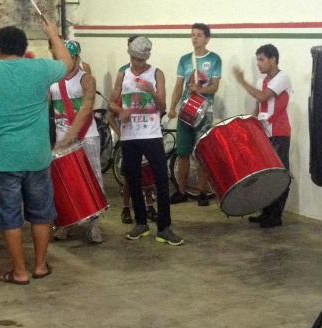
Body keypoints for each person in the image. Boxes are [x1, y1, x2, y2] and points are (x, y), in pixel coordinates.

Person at [0, 22, 71, 284]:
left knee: (9, 215)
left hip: (3, 157)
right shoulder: (40, 68)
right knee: (41, 212)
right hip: (37, 155)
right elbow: (67, 62)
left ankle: (19, 271)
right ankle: (41, 266)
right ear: (24, 47)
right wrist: (53, 34)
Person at [110, 36, 183, 246]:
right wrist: (120, 110)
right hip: (130, 135)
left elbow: (162, 106)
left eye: (141, 60)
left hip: (151, 134)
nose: (137, 64)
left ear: (147, 57)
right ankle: (140, 223)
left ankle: (164, 227)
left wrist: (151, 90)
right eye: (134, 59)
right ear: (130, 55)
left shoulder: (156, 73)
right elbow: (112, 103)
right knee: (132, 180)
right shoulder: (122, 74)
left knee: (161, 180)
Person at [232, 43, 294, 228]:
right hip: (264, 134)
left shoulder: (282, 77)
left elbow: (263, 97)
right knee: (266, 175)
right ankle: (266, 211)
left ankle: (276, 215)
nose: (258, 64)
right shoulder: (261, 80)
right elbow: (259, 105)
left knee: (280, 175)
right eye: (257, 60)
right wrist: (251, 123)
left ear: (273, 59)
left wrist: (242, 81)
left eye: (262, 59)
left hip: (279, 132)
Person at [49, 39, 104, 244]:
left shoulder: (86, 79)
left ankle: (94, 224)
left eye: (69, 57)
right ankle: (65, 223)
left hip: (85, 136)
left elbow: (87, 106)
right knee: (63, 182)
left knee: (94, 178)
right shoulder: (51, 79)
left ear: (76, 57)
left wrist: (70, 136)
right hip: (62, 139)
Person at [168, 23, 221, 206]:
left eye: (199, 35)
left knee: (202, 153)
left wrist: (198, 89)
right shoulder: (184, 60)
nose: (194, 38)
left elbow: (214, 86)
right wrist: (172, 106)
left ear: (207, 38)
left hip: (204, 112)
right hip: (185, 111)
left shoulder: (214, 59)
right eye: (192, 35)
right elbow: (178, 85)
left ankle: (202, 192)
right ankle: (181, 190)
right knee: (183, 152)